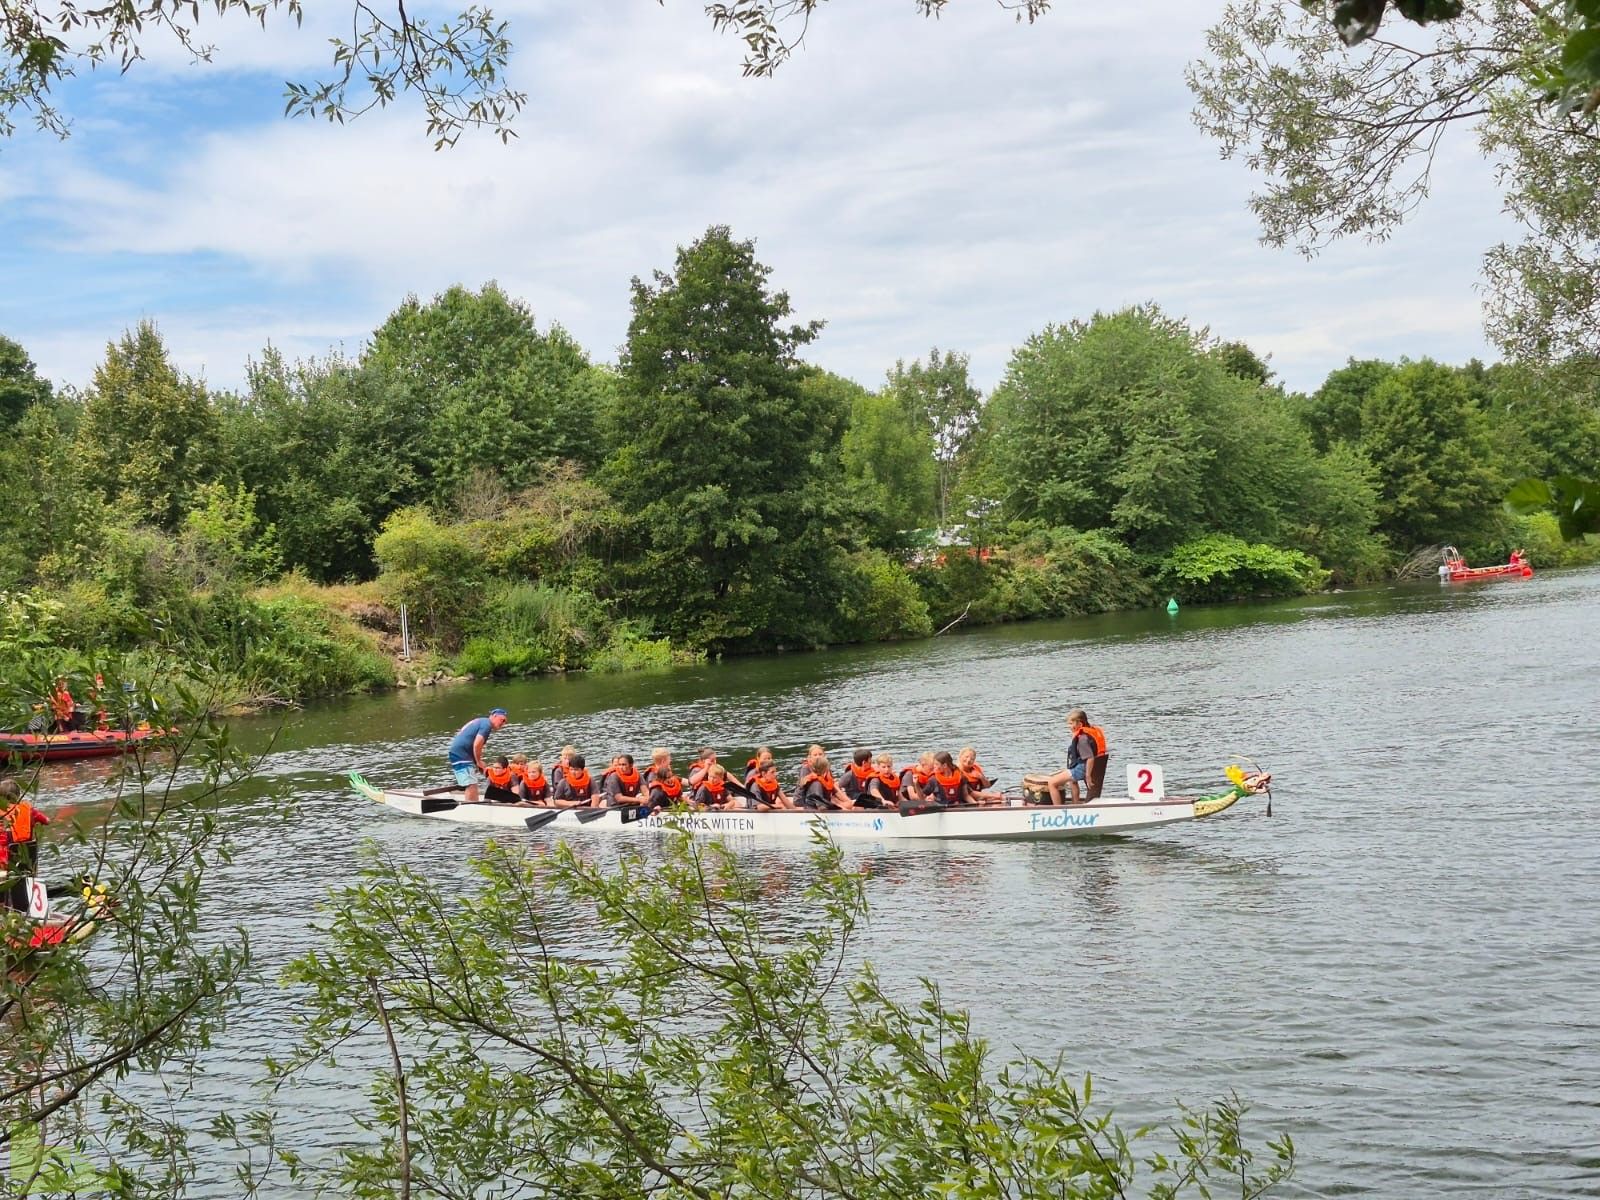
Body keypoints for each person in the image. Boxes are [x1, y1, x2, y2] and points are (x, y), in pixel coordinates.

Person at [0, 779, 49, 912]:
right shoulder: (29, 810)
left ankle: (3, 909)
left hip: (4, 863)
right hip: (28, 861)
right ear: (18, 795)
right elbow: (46, 821)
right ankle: (34, 909)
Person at [1046, 709, 1109, 804]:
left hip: (1082, 768)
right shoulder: (1090, 732)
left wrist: (1088, 775)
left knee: (1052, 783)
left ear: (1080, 724)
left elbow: (1090, 758)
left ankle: (1058, 809)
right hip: (1085, 766)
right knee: (1072, 781)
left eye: (1071, 724)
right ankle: (1075, 804)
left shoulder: (1082, 739)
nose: (1069, 726)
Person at [446, 708, 509, 803]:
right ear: (494, 716)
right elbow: (477, 744)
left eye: (505, 722)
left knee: (472, 782)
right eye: (502, 720)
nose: (503, 724)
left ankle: (472, 803)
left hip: (460, 752)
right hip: (461, 754)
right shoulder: (487, 725)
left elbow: (464, 731)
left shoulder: (480, 721)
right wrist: (478, 761)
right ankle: (472, 807)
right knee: (471, 784)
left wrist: (476, 762)